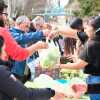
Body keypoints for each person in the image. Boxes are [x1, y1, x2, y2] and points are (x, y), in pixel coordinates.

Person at [0, 35, 55, 100]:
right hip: (20, 72)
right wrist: (52, 93)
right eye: (4, 50)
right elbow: (25, 94)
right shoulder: (1, 72)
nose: (6, 53)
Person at [59, 16, 100, 100]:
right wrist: (57, 31)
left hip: (96, 79)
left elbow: (78, 65)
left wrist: (59, 65)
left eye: (87, 27)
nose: (85, 30)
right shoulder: (93, 38)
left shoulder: (92, 43)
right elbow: (74, 34)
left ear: (95, 30)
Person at [9, 15, 50, 82]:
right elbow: (23, 38)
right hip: (14, 71)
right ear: (19, 24)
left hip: (23, 70)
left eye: (28, 26)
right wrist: (41, 33)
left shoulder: (23, 34)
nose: (28, 29)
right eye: (26, 26)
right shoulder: (11, 33)